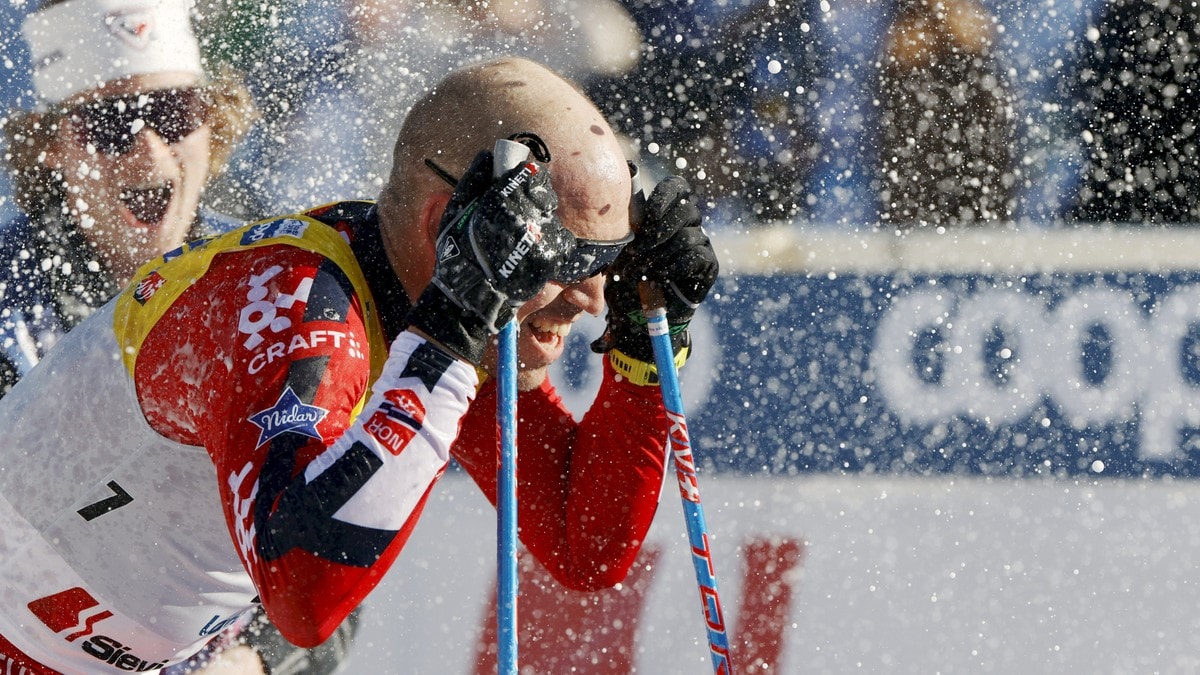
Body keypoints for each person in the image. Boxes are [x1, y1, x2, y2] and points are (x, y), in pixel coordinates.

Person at [0, 54, 718, 673]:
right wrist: (451, 328)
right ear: (446, 227)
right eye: (566, 262)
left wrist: (645, 345)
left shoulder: (439, 293)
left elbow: (580, 544)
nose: (593, 300)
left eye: (609, 264)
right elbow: (304, 595)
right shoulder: (294, 299)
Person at [0, 1, 359, 672]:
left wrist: (252, 661)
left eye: (172, 116)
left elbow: (329, 556)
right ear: (52, 147)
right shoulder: (8, 304)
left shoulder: (278, 281)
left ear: (212, 122)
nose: (148, 149)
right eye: (109, 125)